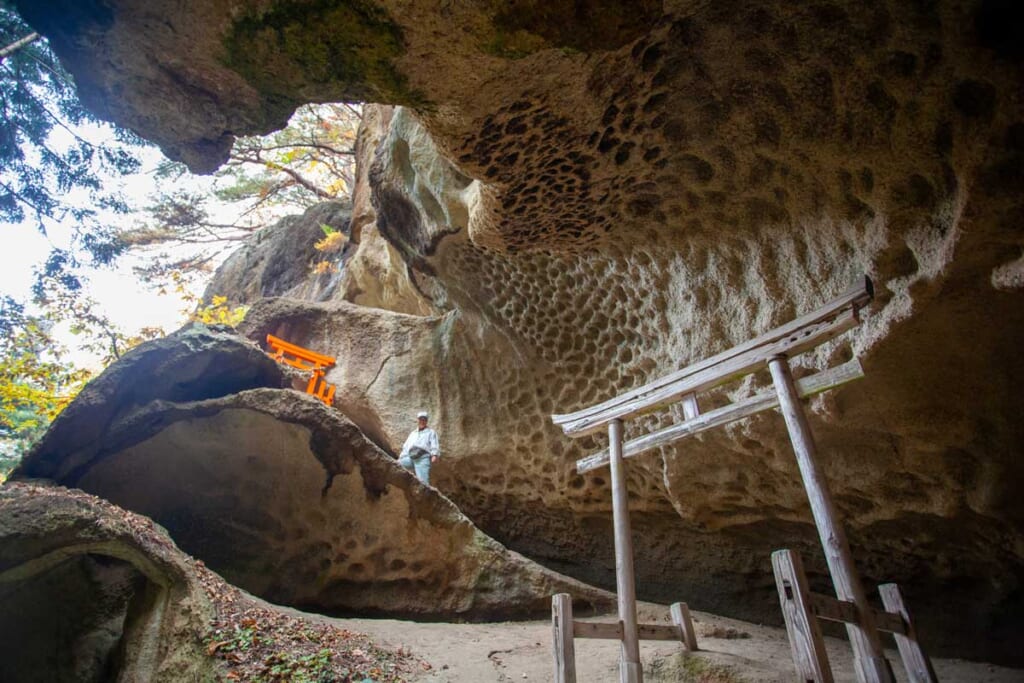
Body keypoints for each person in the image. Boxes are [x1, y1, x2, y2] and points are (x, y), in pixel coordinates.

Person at [398, 410, 440, 484]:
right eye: (421, 419)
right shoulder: (413, 433)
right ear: (418, 420)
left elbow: (434, 444)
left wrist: (434, 455)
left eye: (424, 419)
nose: (422, 421)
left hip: (422, 458)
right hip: (410, 457)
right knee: (397, 464)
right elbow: (406, 446)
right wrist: (402, 456)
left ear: (426, 421)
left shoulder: (431, 432)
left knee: (423, 483)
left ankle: (426, 494)